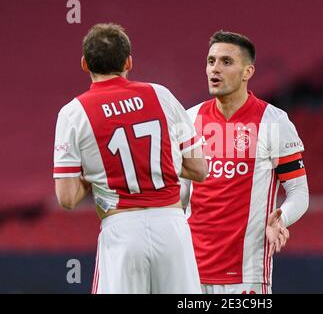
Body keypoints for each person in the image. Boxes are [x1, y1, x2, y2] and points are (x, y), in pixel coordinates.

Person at [53, 23, 207, 294]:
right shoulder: (161, 95)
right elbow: (199, 168)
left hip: (122, 230)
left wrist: (93, 175)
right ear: (129, 62)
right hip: (172, 228)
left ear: (84, 64)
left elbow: (67, 198)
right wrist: (158, 164)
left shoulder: (73, 113)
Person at [181, 30, 309, 294]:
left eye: (226, 62)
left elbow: (299, 192)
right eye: (211, 61)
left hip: (246, 274)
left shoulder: (273, 122)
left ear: (248, 72)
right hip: (188, 270)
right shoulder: (189, 119)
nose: (215, 69)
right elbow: (181, 193)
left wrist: (281, 218)